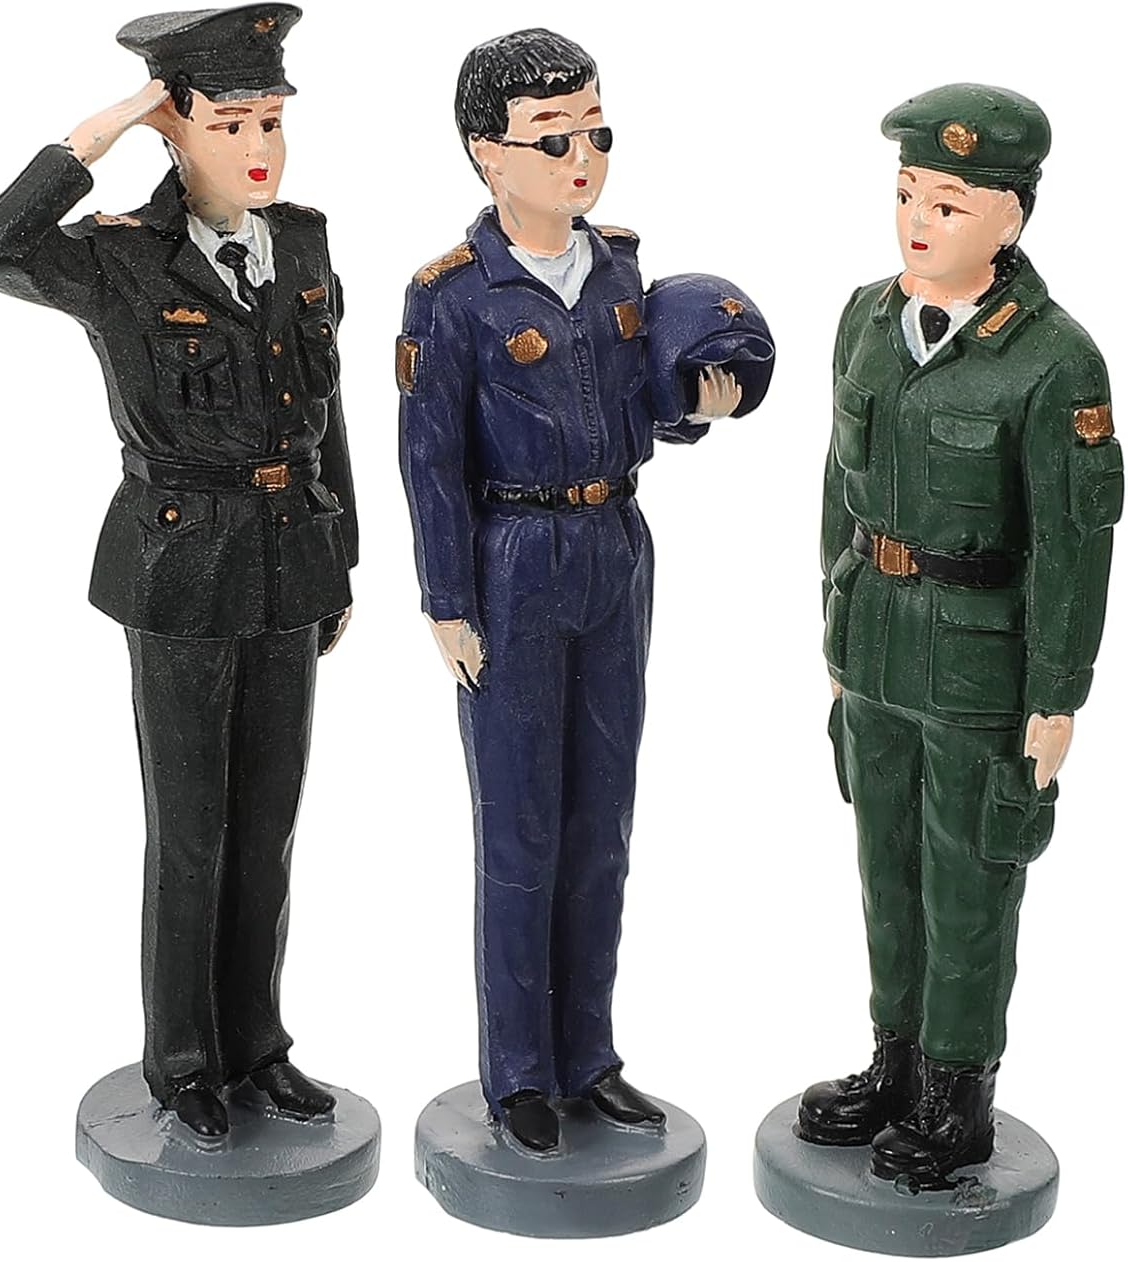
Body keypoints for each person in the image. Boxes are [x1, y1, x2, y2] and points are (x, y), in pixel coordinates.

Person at [0, 4, 356, 1139]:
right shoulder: (122, 256)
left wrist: (341, 555)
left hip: (289, 560)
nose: (261, 146)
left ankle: (257, 1044)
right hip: (183, 566)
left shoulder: (305, 241)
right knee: (191, 831)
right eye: (229, 123)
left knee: (269, 823)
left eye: (271, 119)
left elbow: (326, 415)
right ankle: (183, 1058)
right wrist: (98, 133)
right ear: (174, 130)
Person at [396, 27, 773, 1153]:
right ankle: (518, 1070)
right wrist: (447, 600)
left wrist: (694, 408)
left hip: (614, 546)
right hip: (514, 559)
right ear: (487, 153)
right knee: (520, 831)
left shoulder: (619, 269)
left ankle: (589, 1055)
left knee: (601, 821)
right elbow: (429, 460)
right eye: (553, 138)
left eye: (597, 133)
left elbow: (639, 404)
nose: (584, 158)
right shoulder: (451, 296)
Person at [800, 83, 1120, 1188]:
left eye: (948, 202)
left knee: (968, 883)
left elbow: (1074, 543)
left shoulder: (1052, 359)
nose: (918, 221)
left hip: (981, 661)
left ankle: (956, 1097)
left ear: (1009, 215)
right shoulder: (864, 319)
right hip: (877, 644)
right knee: (885, 872)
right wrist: (835, 638)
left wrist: (1058, 694)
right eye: (907, 195)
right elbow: (839, 489)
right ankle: (895, 1066)